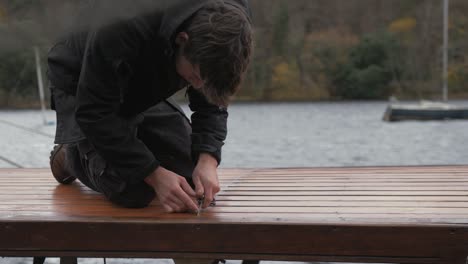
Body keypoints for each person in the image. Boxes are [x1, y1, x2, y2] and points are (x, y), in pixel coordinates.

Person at [48, 0, 253, 214]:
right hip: (81, 82)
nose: (199, 87)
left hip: (144, 76)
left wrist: (208, 157)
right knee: (132, 189)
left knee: (189, 179)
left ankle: (128, 135)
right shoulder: (121, 19)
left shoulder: (235, 21)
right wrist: (153, 174)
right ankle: (70, 154)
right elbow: (95, 112)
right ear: (182, 40)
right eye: (195, 77)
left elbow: (213, 90)